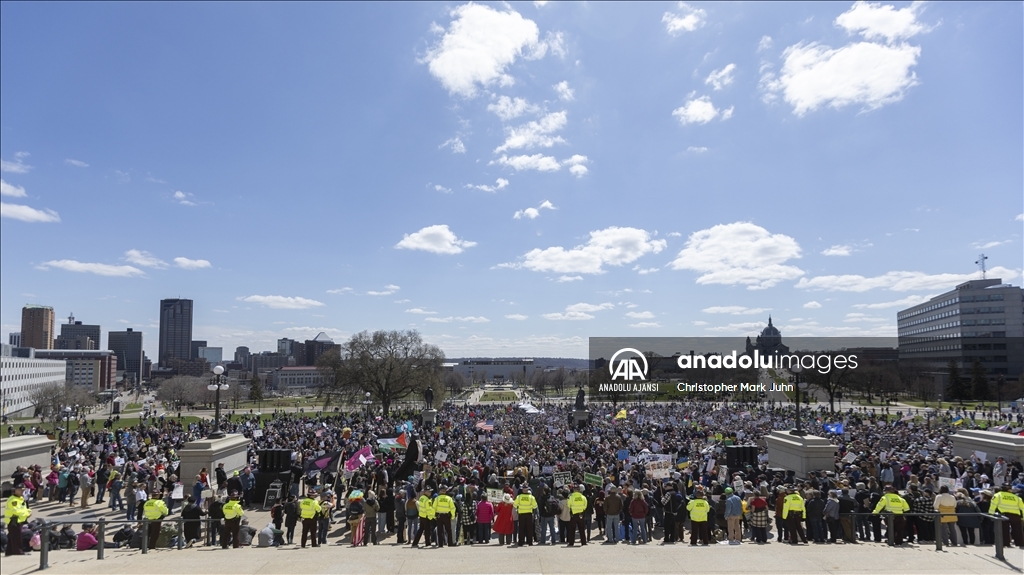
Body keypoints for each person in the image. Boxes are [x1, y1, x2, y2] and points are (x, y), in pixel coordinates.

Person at [5, 485, 31, 556]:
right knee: (17, 537)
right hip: (13, 521)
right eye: (20, 490)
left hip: (19, 520)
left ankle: (9, 551)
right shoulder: (13, 500)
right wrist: (26, 514)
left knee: (12, 537)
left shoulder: (20, 498)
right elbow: (16, 511)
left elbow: (23, 508)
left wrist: (29, 511)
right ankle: (18, 552)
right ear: (15, 490)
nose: (22, 491)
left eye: (23, 490)